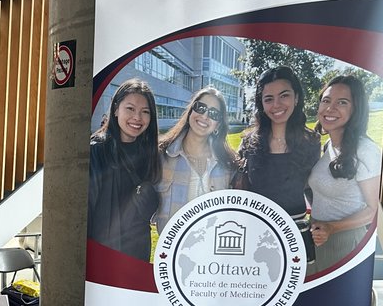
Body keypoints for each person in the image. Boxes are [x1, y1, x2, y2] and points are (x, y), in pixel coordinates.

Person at [236, 66, 319, 255]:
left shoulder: (311, 142)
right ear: (261, 105)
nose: (276, 105)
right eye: (268, 99)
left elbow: (314, 190)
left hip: (297, 236)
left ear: (296, 97)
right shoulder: (249, 142)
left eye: (284, 95)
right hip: (256, 237)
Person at [308, 75, 381, 270]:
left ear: (355, 109)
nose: (330, 108)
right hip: (318, 239)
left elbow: (375, 211)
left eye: (342, 102)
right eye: (326, 100)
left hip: (345, 244)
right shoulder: (328, 146)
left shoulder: (365, 150)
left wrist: (332, 228)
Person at [87, 79, 161, 260]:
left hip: (137, 253)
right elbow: (86, 211)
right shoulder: (97, 151)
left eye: (145, 112)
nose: (137, 117)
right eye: (130, 109)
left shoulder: (149, 154)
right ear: (115, 110)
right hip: (104, 255)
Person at [153, 88, 237, 232]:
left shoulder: (228, 163)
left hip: (213, 250)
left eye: (213, 114)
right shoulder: (161, 155)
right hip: (172, 250)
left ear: (218, 124)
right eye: (201, 107)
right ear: (191, 110)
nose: (205, 116)